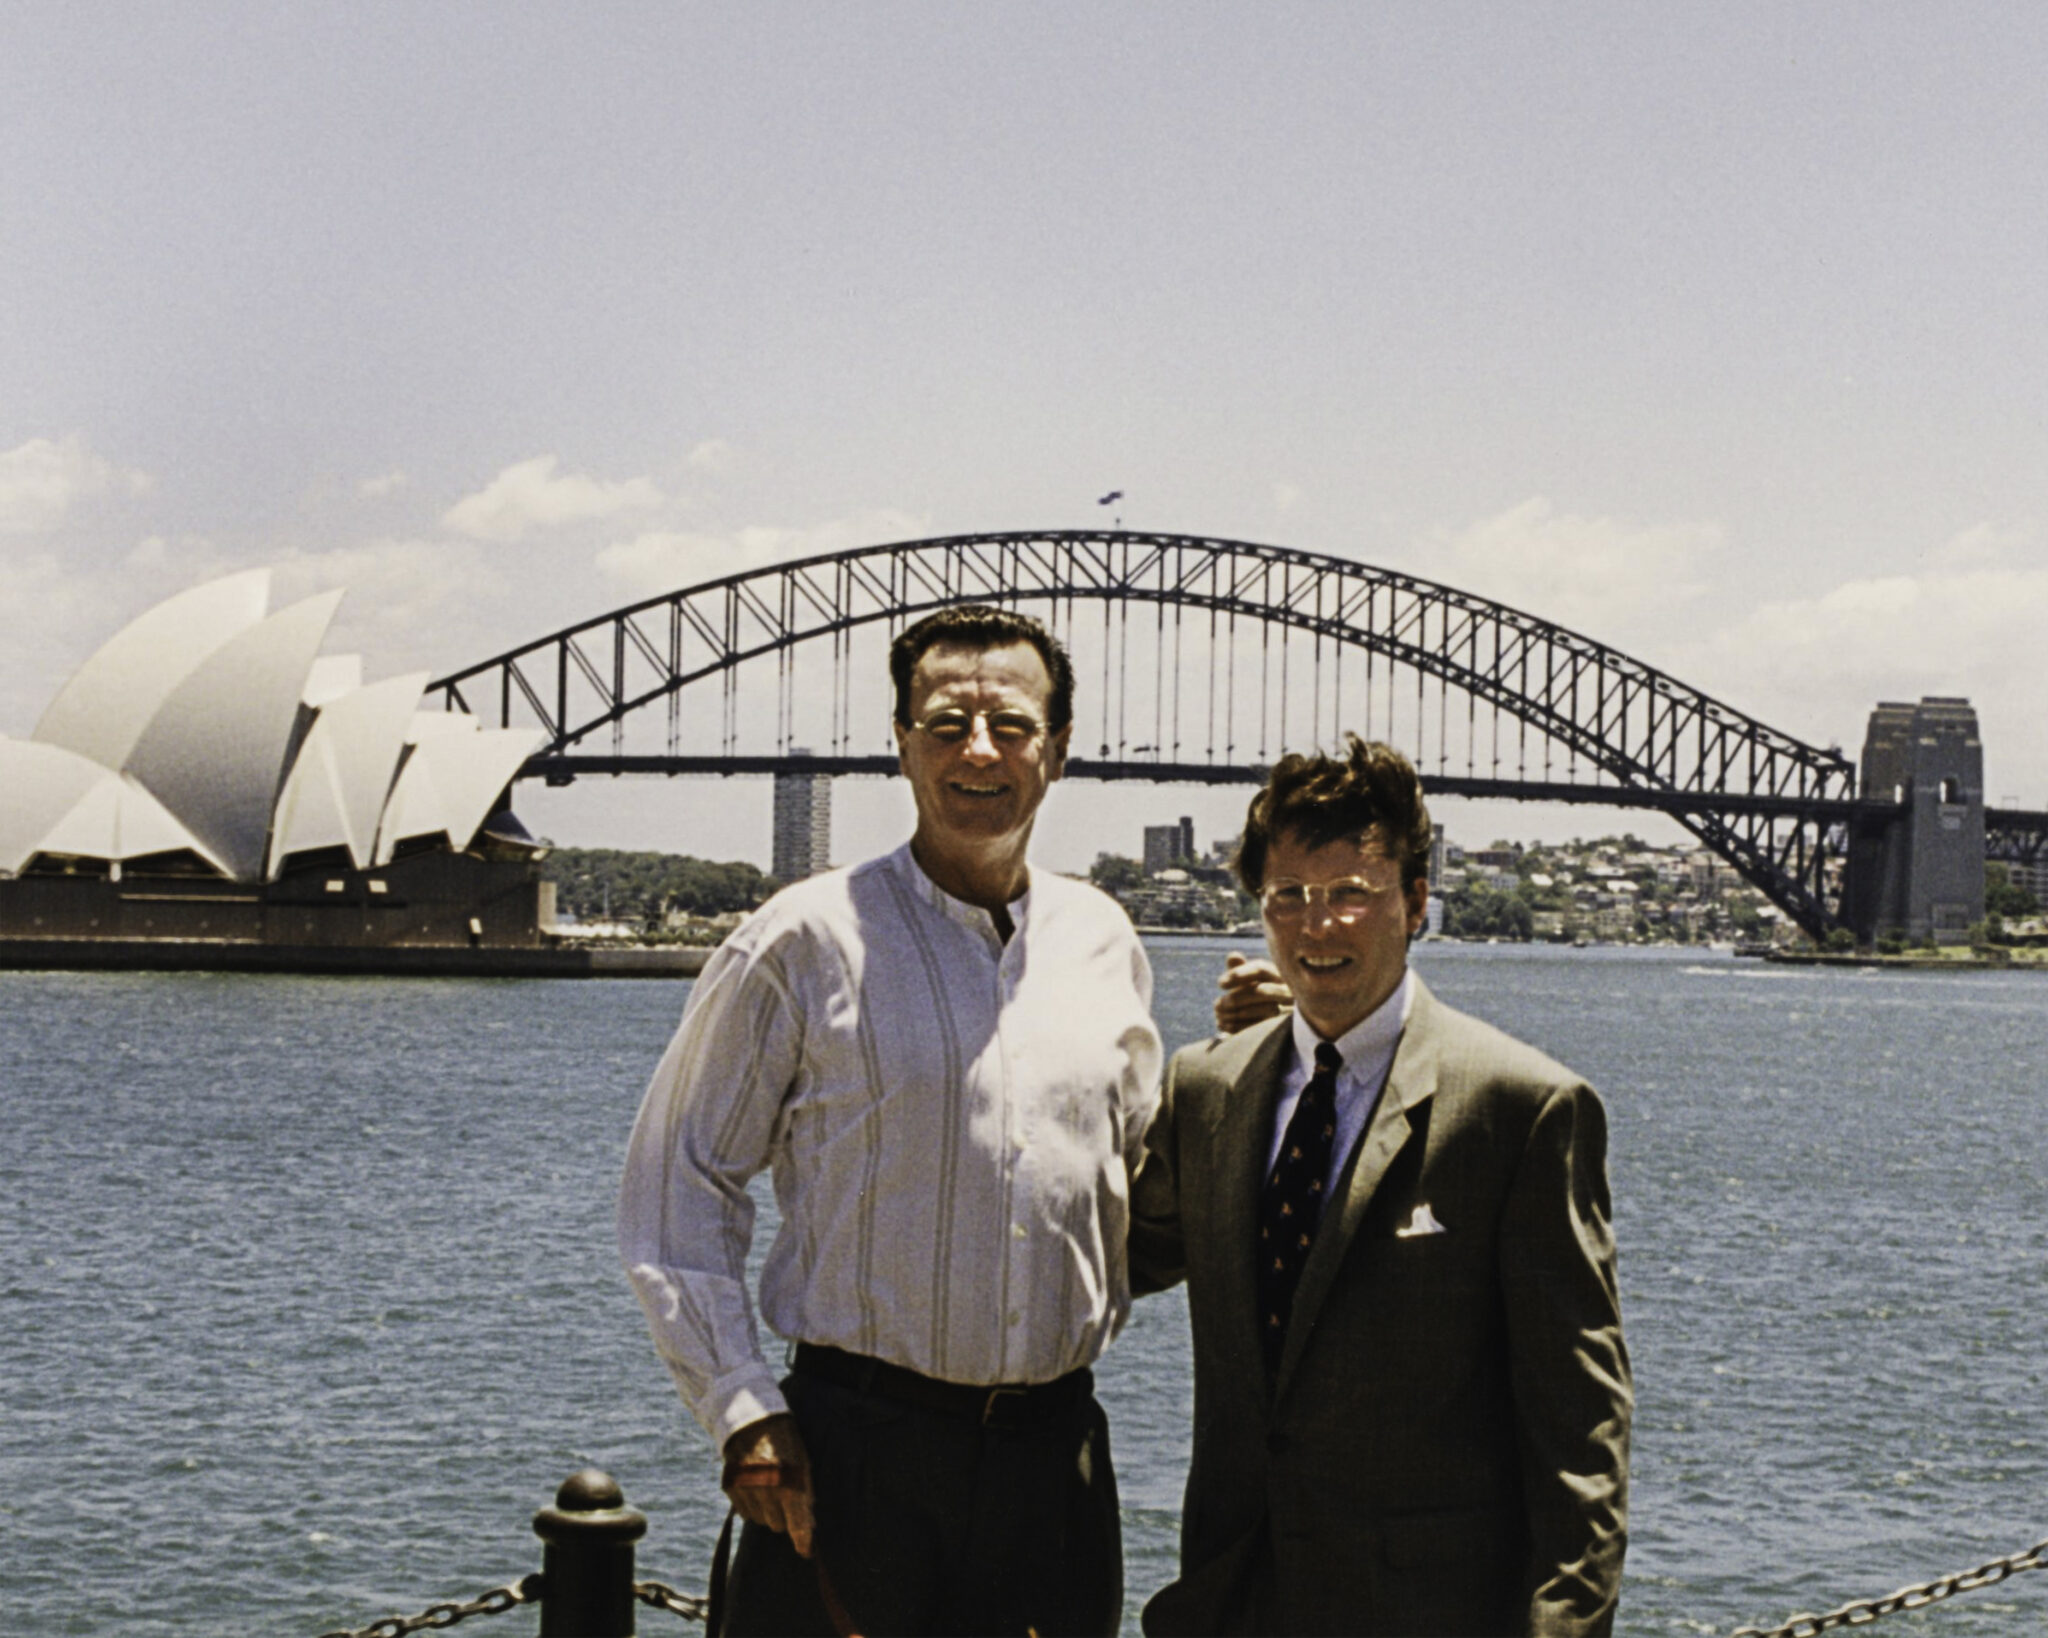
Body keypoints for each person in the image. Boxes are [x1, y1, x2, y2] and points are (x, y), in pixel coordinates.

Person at [618, 605, 1161, 1637]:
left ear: (1057, 751)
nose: (977, 750)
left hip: (1052, 1463)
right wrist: (741, 1410)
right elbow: (675, 1184)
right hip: (848, 1458)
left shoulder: (1103, 940)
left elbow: (1135, 1179)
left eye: (1009, 724)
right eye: (945, 723)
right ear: (902, 747)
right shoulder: (802, 939)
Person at [1130, 735, 1631, 1636]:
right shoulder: (1205, 1089)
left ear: (1415, 902)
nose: (1317, 927)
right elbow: (1090, 1265)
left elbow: (1579, 1424)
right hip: (1231, 1602)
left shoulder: (1521, 1109)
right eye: (1290, 897)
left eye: (1350, 895)